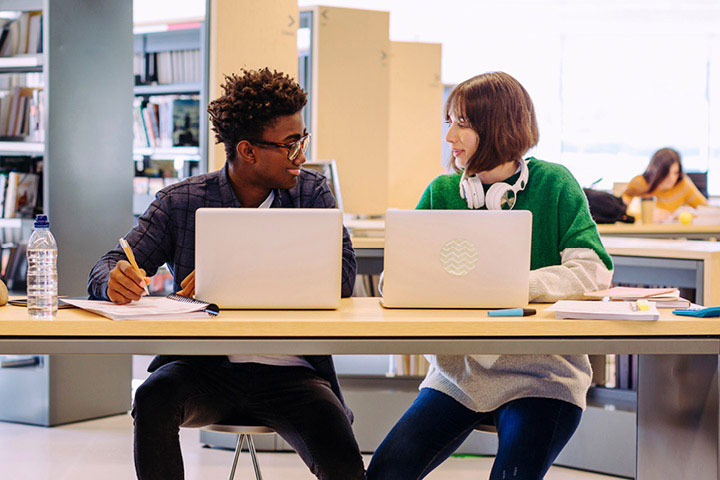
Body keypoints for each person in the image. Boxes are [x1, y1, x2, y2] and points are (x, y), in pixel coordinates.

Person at [87, 68, 365, 480]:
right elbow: (108, 264)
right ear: (248, 150)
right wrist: (112, 280)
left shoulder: (311, 193)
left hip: (294, 372)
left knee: (343, 458)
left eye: (301, 141)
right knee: (152, 399)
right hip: (205, 369)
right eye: (290, 146)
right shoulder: (181, 201)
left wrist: (236, 273)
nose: (301, 157)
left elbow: (342, 277)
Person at [367, 72, 613, 480]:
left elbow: (593, 270)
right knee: (385, 473)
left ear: (498, 126)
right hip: (459, 377)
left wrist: (512, 286)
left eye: (461, 123)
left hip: (544, 377)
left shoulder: (555, 184)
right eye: (449, 121)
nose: (450, 137)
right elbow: (396, 282)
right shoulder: (442, 193)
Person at [622, 147, 707, 221]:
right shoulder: (639, 183)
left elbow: (707, 211)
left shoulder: (683, 185)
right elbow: (619, 212)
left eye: (675, 173)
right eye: (666, 173)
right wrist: (645, 217)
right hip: (639, 235)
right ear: (656, 172)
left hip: (670, 236)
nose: (672, 178)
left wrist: (688, 214)